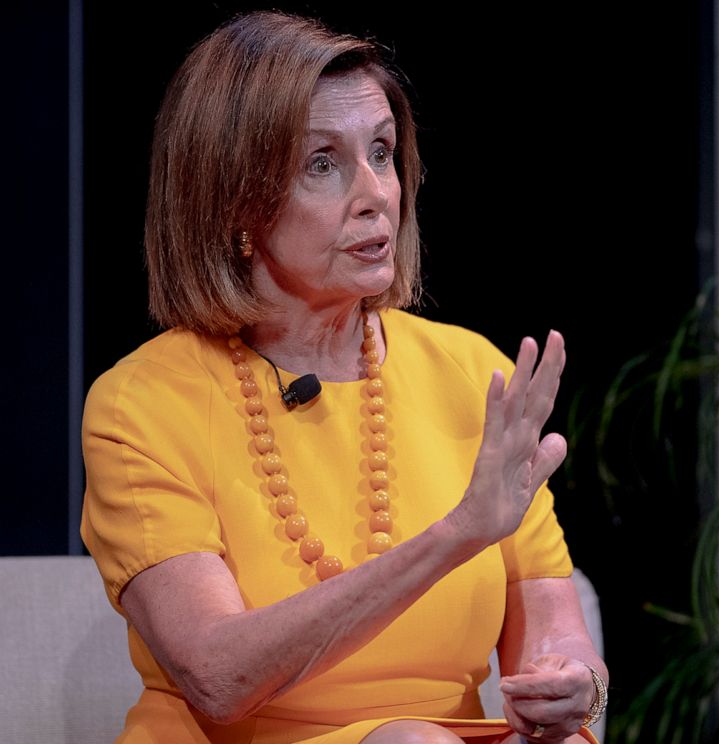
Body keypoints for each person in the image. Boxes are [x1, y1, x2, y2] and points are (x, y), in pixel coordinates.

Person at [80, 10, 607, 744]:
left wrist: (574, 684)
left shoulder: (468, 370)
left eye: (383, 153)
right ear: (234, 200)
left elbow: (551, 619)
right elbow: (218, 678)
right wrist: (456, 534)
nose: (376, 194)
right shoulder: (142, 404)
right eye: (321, 163)